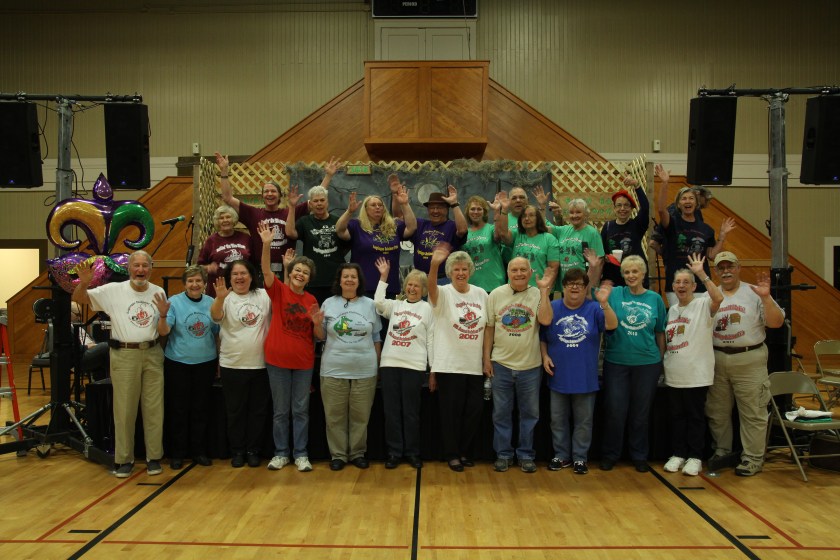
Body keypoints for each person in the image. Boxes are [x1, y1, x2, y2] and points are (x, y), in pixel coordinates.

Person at [72, 250, 166, 478]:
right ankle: (124, 460)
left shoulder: (159, 291)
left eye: (145, 266)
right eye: (137, 266)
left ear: (151, 269)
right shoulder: (113, 291)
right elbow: (79, 298)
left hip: (153, 353)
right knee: (124, 410)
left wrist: (163, 317)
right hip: (124, 355)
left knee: (154, 409)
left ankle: (154, 458)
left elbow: (162, 327)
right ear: (129, 268)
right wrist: (83, 284)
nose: (141, 270)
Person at [706, 251, 785, 477]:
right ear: (717, 272)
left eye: (730, 266)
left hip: (750, 358)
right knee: (717, 411)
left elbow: (776, 323)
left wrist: (767, 298)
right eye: (721, 268)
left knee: (753, 412)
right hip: (718, 358)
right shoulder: (709, 295)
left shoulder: (755, 293)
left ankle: (752, 458)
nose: (726, 271)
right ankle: (723, 452)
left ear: (739, 268)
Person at [540, 267, 617, 475]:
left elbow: (611, 325)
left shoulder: (594, 308)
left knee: (584, 421)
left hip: (585, 376)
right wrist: (545, 356)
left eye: (580, 284)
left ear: (586, 289)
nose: (575, 287)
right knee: (557, 420)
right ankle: (561, 455)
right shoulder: (553, 306)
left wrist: (604, 303)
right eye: (570, 283)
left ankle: (580, 458)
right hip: (558, 374)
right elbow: (543, 335)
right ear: (563, 287)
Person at [261, 229, 326, 473]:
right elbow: (267, 271)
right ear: (291, 273)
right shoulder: (278, 290)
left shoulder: (311, 300)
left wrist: (318, 323)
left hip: (303, 363)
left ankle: (301, 454)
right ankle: (281, 453)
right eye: (297, 270)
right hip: (276, 360)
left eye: (305, 273)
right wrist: (267, 244)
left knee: (300, 411)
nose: (300, 274)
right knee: (280, 411)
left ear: (309, 279)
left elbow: (319, 337)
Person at [483, 257, 554, 473]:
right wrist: (486, 358)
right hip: (501, 364)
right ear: (508, 272)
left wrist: (543, 292)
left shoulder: (537, 293)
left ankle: (525, 455)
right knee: (501, 414)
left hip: (530, 366)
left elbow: (546, 321)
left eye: (523, 269)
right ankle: (503, 454)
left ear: (531, 272)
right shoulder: (495, 294)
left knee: (530, 414)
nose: (519, 273)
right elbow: (489, 328)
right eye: (515, 270)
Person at [215, 152, 339, 275]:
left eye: (273, 191)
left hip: (286, 269)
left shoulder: (291, 212)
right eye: (266, 191)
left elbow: (316, 197)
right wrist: (224, 171)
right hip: (260, 271)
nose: (269, 194)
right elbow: (227, 198)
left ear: (280, 195)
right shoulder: (253, 213)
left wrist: (328, 176)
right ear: (262, 196)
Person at [599, 255, 667, 473]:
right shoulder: (615, 294)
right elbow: (591, 292)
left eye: (635, 272)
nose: (630, 276)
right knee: (615, 412)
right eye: (627, 272)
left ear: (643, 274)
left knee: (640, 413)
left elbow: (660, 333)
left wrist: (661, 361)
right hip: (616, 362)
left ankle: (639, 456)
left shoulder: (655, 299)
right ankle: (611, 455)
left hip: (647, 363)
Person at [427, 247, 488, 472]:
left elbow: (486, 329)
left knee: (473, 411)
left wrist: (485, 360)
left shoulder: (481, 294)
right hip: (449, 364)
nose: (460, 273)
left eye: (464, 269)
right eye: (456, 269)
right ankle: (452, 454)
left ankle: (464, 451)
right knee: (450, 414)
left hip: (473, 365)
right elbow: (431, 288)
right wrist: (434, 265)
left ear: (470, 271)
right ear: (450, 272)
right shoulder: (443, 292)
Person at [662, 255, 723, 476]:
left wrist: (702, 273)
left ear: (694, 286)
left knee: (695, 417)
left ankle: (695, 456)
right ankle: (678, 454)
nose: (681, 286)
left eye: (686, 282)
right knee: (677, 417)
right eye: (678, 282)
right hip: (675, 374)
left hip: (697, 375)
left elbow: (718, 298)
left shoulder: (702, 304)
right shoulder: (671, 311)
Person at [210, 255, 271, 469]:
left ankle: (253, 451)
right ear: (229, 277)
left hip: (261, 365)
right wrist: (218, 298)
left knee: (258, 411)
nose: (239, 277)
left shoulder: (263, 295)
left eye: (243, 273)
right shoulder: (224, 297)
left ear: (251, 276)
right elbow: (216, 317)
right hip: (232, 364)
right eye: (235, 274)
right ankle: (237, 451)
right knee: (235, 412)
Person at [319, 263, 382, 471]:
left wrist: (378, 364)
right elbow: (319, 336)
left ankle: (357, 453)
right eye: (345, 276)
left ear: (359, 281)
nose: (349, 280)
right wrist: (314, 323)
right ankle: (338, 455)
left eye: (353, 277)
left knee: (360, 416)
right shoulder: (328, 303)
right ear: (339, 280)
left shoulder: (371, 304)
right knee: (334, 416)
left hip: (365, 369)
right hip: (333, 369)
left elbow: (376, 337)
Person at [157, 265, 219, 469]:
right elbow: (164, 332)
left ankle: (198, 451)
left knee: (201, 409)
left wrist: (218, 360)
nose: (194, 284)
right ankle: (177, 453)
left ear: (204, 284)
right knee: (179, 410)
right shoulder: (174, 302)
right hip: (178, 363)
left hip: (206, 363)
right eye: (190, 281)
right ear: (184, 284)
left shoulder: (212, 303)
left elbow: (217, 334)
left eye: (198, 281)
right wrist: (163, 316)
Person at [374, 257, 433, 469]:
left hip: (414, 366)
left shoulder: (428, 309)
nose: (412, 288)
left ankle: (412, 452)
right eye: (409, 284)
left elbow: (432, 340)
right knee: (391, 412)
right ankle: (394, 452)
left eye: (417, 285)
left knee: (410, 413)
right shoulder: (396, 305)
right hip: (390, 364)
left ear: (424, 289)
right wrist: (383, 277)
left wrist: (432, 368)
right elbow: (378, 303)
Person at [655, 164, 736, 306]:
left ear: (696, 203)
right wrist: (665, 183)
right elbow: (661, 210)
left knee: (701, 323)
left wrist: (722, 236)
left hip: (700, 285)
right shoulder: (672, 224)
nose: (688, 201)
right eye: (684, 198)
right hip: (676, 285)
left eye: (691, 198)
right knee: (681, 323)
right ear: (678, 204)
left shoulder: (706, 229)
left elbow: (711, 255)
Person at [336, 189, 417, 298]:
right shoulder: (356, 225)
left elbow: (412, 228)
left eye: (380, 205)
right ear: (365, 209)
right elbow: (340, 231)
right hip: (364, 286)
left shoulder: (394, 225)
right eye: (373, 205)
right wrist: (349, 212)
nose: (377, 207)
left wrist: (405, 204)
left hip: (389, 285)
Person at [284, 184, 348, 304]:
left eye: (322, 200)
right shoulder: (305, 221)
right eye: (315, 201)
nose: (319, 203)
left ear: (327, 202)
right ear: (311, 204)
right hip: (312, 281)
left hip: (335, 280)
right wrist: (292, 207)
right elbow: (290, 232)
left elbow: (346, 246)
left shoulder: (337, 222)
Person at [405, 186, 467, 280]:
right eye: (432, 208)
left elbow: (462, 230)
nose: (435, 211)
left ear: (447, 209)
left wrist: (454, 204)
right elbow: (401, 218)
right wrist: (404, 203)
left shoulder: (452, 226)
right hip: (420, 279)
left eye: (439, 208)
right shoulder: (421, 224)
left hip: (443, 279)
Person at [601, 175, 650, 287]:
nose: (622, 209)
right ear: (614, 208)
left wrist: (636, 185)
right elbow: (602, 250)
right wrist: (606, 257)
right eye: (619, 205)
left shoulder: (637, 225)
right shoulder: (608, 226)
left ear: (631, 209)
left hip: (635, 276)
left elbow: (645, 207)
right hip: (614, 276)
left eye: (626, 205)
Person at [497, 202, 560, 288]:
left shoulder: (550, 239)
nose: (527, 218)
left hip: (539, 289)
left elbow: (553, 268)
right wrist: (504, 209)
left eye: (531, 215)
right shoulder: (517, 235)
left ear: (538, 218)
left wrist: (546, 288)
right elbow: (503, 234)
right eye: (524, 216)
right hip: (515, 287)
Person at [548, 198, 605, 290]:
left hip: (582, 285)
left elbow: (599, 262)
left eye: (578, 212)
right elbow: (542, 227)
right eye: (571, 212)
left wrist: (591, 287)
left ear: (586, 214)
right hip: (565, 284)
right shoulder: (563, 230)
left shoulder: (592, 233)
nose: (574, 215)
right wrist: (542, 207)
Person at [198, 204, 253, 297]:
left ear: (234, 219)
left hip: (242, 286)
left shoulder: (245, 238)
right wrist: (208, 268)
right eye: (221, 218)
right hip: (219, 289)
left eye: (228, 217)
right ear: (217, 221)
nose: (225, 220)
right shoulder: (211, 240)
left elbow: (253, 263)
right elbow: (199, 266)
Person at [462, 194, 507, 293]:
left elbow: (498, 236)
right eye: (472, 209)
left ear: (484, 212)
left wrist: (496, 211)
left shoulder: (491, 228)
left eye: (479, 209)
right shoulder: (464, 233)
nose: (476, 212)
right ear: (467, 212)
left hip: (494, 283)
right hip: (472, 285)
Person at [70, 302, 109, 382]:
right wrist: (87, 347)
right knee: (106, 346)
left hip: (89, 350)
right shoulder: (66, 329)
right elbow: (70, 349)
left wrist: (94, 345)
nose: (79, 318)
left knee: (107, 350)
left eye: (80, 315)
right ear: (69, 313)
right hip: (80, 355)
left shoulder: (78, 326)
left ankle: (103, 384)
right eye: (77, 315)